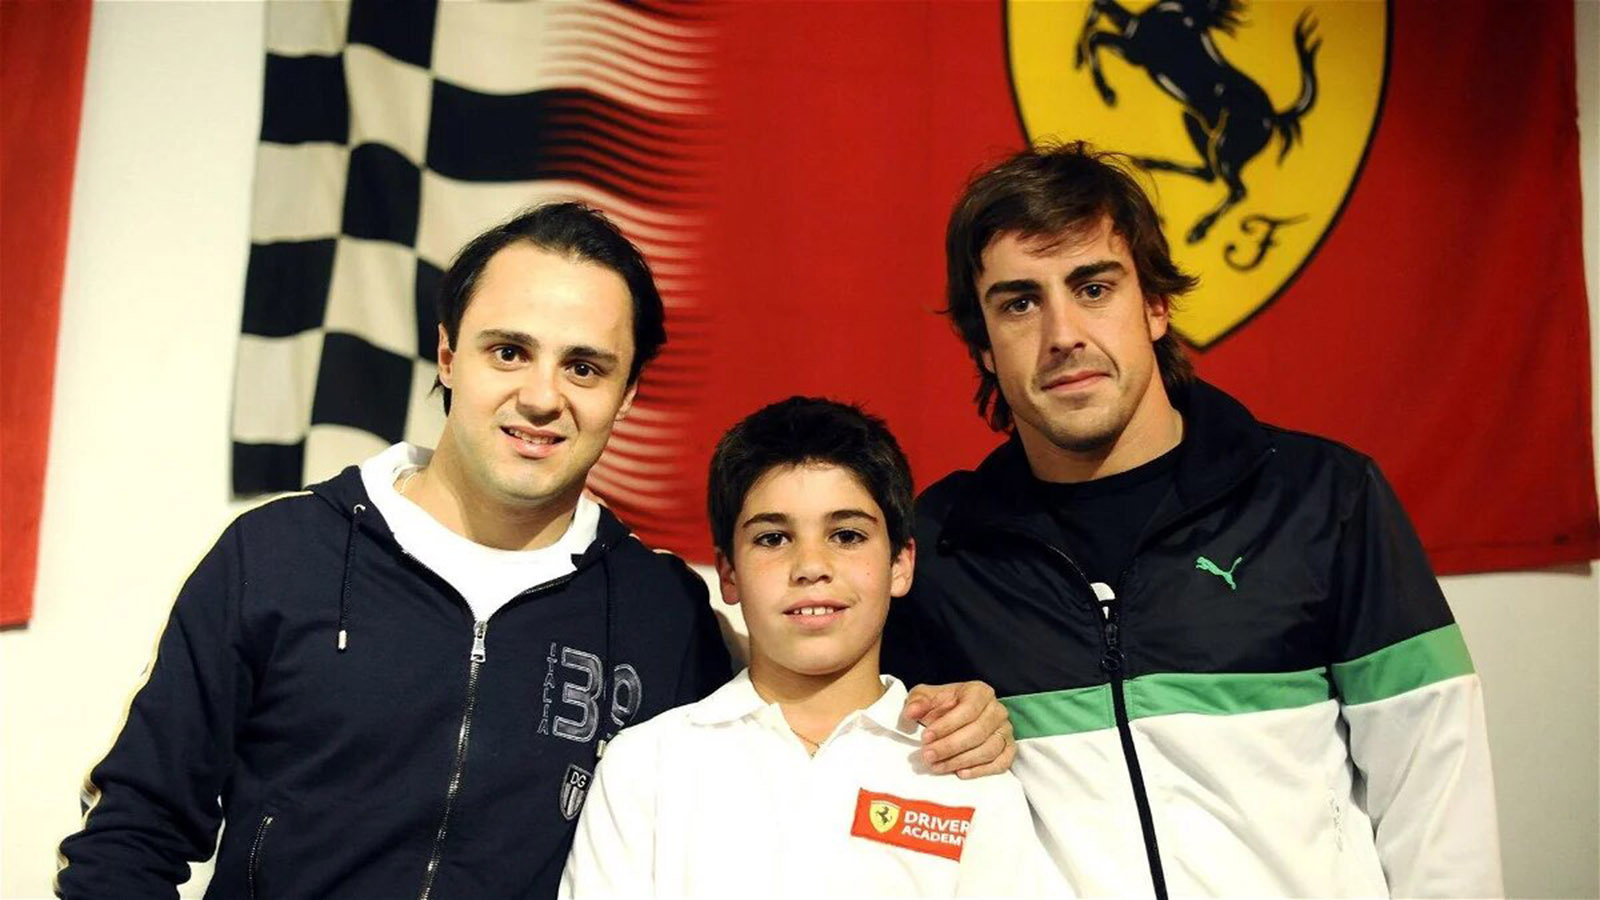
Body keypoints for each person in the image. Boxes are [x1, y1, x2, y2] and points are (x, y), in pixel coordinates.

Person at [56, 204, 1009, 899]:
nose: (544, 396)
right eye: (509, 351)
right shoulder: (279, 555)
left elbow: (813, 685)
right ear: (447, 354)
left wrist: (956, 709)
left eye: (584, 366)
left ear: (627, 395)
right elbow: (130, 839)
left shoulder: (659, 609)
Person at [882, 142, 1503, 898]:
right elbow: (881, 800)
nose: (1063, 334)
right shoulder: (938, 549)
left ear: (1155, 304)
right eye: (1020, 302)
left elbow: (1436, 789)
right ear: (981, 345)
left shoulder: (1322, 498)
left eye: (1093, 287)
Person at [562, 397, 1059, 897]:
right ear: (729, 573)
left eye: (846, 535)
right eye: (774, 539)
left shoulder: (965, 771)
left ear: (901, 564)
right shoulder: (648, 767)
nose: (811, 565)